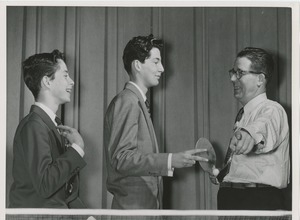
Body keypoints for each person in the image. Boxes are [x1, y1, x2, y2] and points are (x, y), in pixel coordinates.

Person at [8, 50, 112, 220]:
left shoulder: (48, 125)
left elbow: (65, 192)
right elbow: (46, 184)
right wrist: (77, 148)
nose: (71, 82)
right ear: (47, 82)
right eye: (65, 75)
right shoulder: (34, 126)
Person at [103, 34, 208, 210]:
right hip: (133, 216)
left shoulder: (136, 101)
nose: (162, 68)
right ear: (137, 65)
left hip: (143, 213)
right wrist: (170, 160)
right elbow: (121, 159)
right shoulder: (128, 100)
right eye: (156, 61)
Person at [215, 47, 290, 210]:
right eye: (233, 72)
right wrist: (221, 175)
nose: (233, 79)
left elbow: (261, 127)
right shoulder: (243, 114)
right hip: (233, 200)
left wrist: (249, 135)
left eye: (240, 73)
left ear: (260, 79)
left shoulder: (272, 110)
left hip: (257, 202)